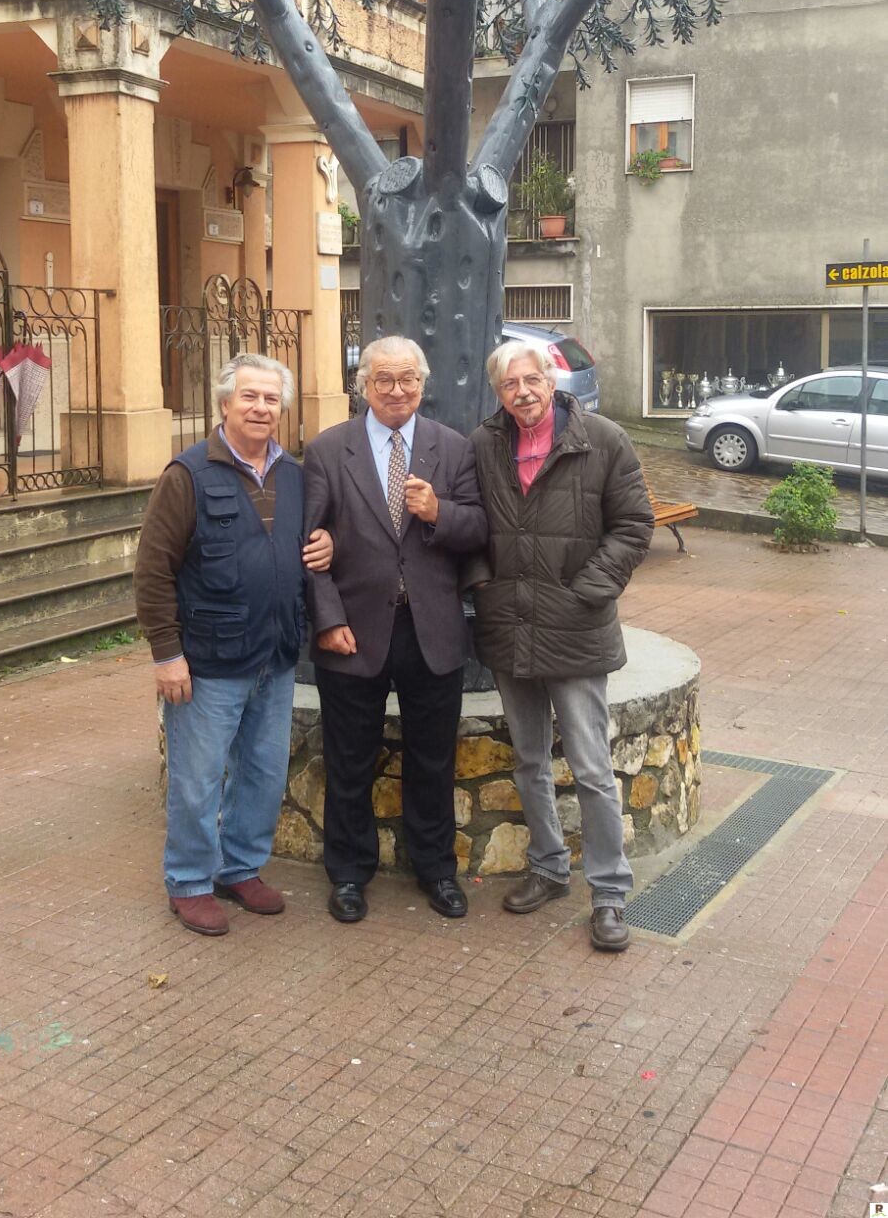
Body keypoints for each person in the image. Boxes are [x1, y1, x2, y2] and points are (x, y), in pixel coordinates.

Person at [134, 352, 333, 936]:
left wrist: (328, 543)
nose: (261, 407)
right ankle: (189, 882)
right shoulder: (187, 475)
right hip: (208, 661)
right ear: (224, 404)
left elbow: (308, 546)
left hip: (275, 655)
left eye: (271, 399)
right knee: (197, 780)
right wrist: (167, 654)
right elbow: (153, 570)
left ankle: (239, 867)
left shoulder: (294, 475)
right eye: (249, 396)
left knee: (263, 774)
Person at [466, 341, 654, 952]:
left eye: (532, 380)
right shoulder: (484, 444)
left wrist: (587, 592)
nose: (522, 392)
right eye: (509, 384)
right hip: (510, 625)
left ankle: (609, 893)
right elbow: (470, 526)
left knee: (592, 768)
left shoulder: (603, 439)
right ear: (498, 392)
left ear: (552, 381)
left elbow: (634, 525)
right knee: (529, 760)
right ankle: (548, 868)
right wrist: (484, 585)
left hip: (575, 627)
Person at [303, 336, 488, 924]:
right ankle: (348, 873)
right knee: (349, 760)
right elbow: (308, 546)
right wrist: (328, 619)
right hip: (353, 631)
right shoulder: (328, 450)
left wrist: (440, 513)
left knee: (433, 760)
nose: (396, 390)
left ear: (423, 384)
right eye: (383, 379)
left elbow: (479, 529)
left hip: (430, 630)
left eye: (408, 378)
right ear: (363, 385)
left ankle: (436, 869)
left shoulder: (452, 448)